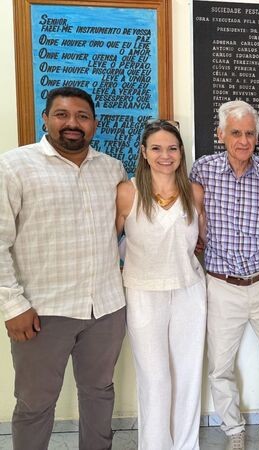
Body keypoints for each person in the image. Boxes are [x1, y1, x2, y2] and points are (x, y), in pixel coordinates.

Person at [0, 87, 127, 449]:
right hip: (42, 312)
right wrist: (12, 304)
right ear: (46, 119)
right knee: (35, 403)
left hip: (105, 308)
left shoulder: (112, 169)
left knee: (99, 393)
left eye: (82, 116)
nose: (72, 123)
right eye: (62, 114)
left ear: (94, 124)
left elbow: (125, 231)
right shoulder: (14, 166)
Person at [189, 100, 259, 450]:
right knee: (219, 366)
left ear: (257, 137)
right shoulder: (202, 170)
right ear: (221, 134)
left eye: (249, 133)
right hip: (222, 286)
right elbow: (190, 216)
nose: (243, 140)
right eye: (236, 133)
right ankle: (233, 430)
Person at [115, 120, 207, 449]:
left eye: (172, 148)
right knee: (155, 379)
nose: (165, 155)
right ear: (143, 152)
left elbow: (202, 242)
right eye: (156, 148)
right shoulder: (127, 192)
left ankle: (185, 445)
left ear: (181, 153)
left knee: (186, 375)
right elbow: (109, 245)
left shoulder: (194, 193)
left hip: (189, 292)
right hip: (143, 293)